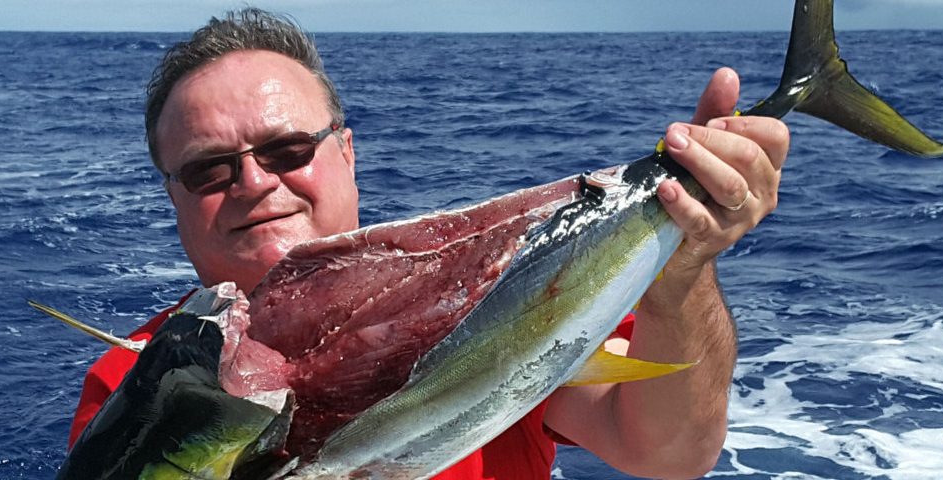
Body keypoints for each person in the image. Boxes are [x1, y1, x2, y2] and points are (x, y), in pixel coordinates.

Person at [68, 8, 789, 479]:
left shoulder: (490, 290)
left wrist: (684, 263)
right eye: (208, 169)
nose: (254, 182)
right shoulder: (137, 383)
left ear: (346, 154)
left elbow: (668, 451)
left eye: (288, 149)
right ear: (174, 195)